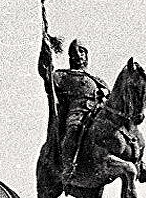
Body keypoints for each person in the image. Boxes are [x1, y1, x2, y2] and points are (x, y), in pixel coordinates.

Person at [38, 38, 109, 181]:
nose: (78, 54)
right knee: (73, 130)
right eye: (74, 52)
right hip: (76, 112)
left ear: (86, 55)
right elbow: (46, 74)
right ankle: (68, 166)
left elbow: (110, 96)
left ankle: (138, 163)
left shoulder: (96, 80)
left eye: (81, 51)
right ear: (70, 56)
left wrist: (105, 93)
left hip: (97, 113)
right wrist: (45, 53)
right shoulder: (61, 76)